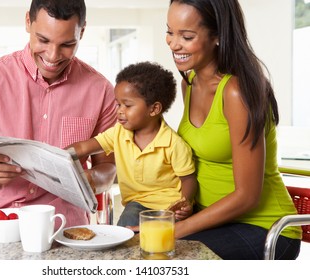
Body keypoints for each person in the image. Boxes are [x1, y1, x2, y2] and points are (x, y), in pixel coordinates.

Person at [0, 0, 117, 228]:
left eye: (67, 44)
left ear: (81, 32)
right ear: (27, 22)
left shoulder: (100, 91)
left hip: (64, 226)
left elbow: (108, 168)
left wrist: (93, 180)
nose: (53, 56)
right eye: (43, 40)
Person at [164, 0, 302, 259]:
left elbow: (248, 196)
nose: (173, 44)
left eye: (187, 36)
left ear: (217, 35)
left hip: (264, 228)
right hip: (212, 218)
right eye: (170, 31)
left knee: (165, 252)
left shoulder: (236, 92)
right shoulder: (190, 84)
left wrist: (176, 230)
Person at [69, 61, 198, 227]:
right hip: (137, 205)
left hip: (169, 207)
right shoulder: (119, 133)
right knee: (128, 223)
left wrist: (185, 202)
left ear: (154, 109)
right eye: (118, 104)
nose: (119, 111)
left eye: (127, 105)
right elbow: (83, 148)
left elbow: (188, 180)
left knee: (167, 237)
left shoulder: (174, 144)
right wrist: (54, 156)